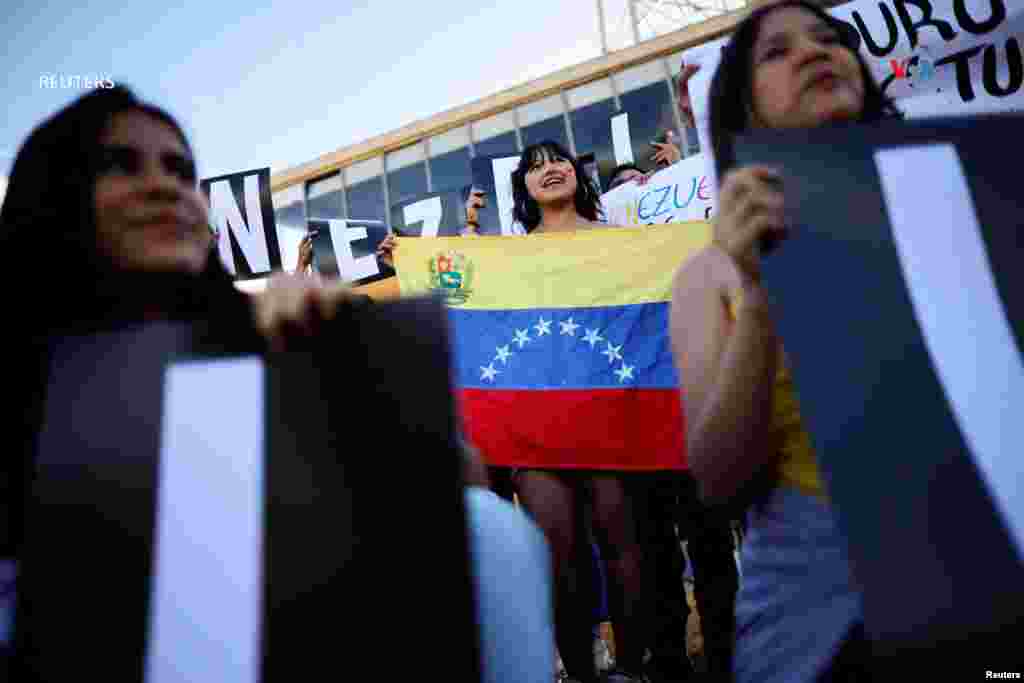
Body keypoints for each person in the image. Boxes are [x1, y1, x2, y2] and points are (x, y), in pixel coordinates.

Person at [0, 85, 555, 682]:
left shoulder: (271, 331)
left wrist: (331, 367)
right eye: (120, 163)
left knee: (492, 534)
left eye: (180, 170)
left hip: (273, 598)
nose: (164, 186)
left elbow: (459, 470)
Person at [670, 2, 901, 681]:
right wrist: (766, 291)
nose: (813, 52)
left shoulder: (949, 201)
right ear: (740, 108)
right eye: (776, 51)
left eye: (829, 40)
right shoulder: (712, 273)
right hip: (822, 615)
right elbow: (718, 479)